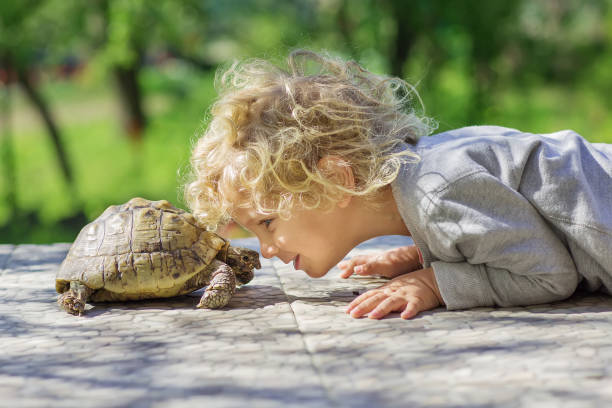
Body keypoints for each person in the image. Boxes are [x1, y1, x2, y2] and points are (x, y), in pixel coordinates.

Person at [184, 49, 612, 320]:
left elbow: (548, 274)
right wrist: (422, 253)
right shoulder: (426, 185)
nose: (269, 248)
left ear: (334, 180)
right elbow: (501, 227)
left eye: (268, 223)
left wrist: (433, 283)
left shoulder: (437, 192)